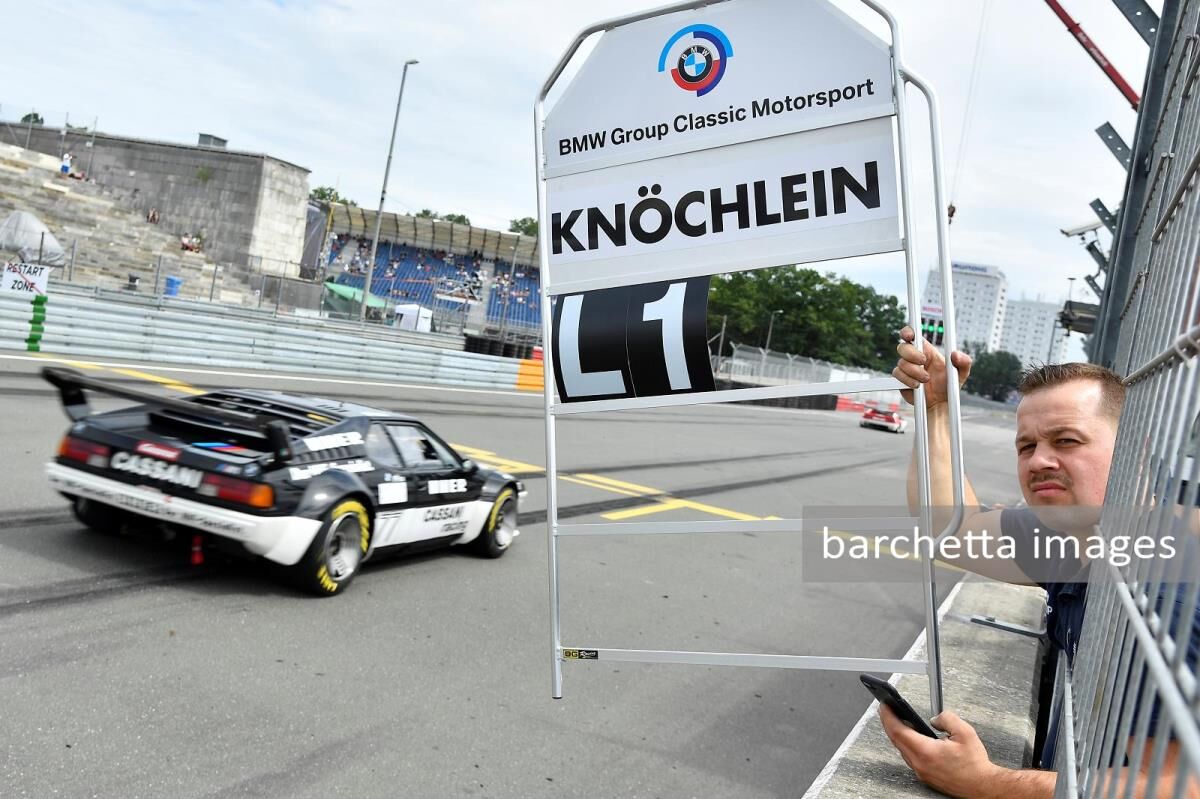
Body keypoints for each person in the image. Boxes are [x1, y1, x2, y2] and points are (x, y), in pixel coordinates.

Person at [883, 326, 1199, 798]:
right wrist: (935, 410)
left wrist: (986, 782)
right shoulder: (1082, 534)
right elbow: (954, 533)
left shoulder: (1157, 594)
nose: (1039, 461)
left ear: (1136, 450)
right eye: (1027, 446)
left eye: (1066, 441)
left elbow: (1179, 788)